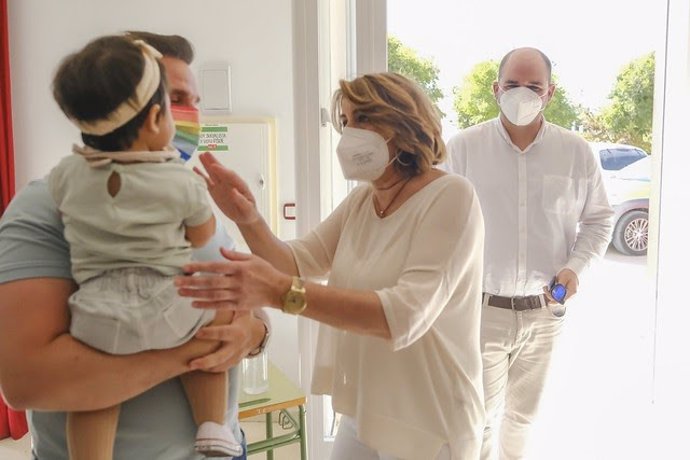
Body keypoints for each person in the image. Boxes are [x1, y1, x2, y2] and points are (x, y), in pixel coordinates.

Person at [175, 72, 486, 460]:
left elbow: (404, 316)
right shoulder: (363, 201)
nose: (349, 133)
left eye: (363, 119)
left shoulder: (451, 196)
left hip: (430, 420)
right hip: (366, 407)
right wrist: (248, 217)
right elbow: (295, 263)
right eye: (346, 122)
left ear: (404, 124)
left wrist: (278, 292)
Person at [0, 31, 270, 460]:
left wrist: (254, 333)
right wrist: (195, 351)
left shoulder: (191, 191)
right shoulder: (41, 205)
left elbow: (247, 304)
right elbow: (26, 381)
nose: (191, 116)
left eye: (195, 102)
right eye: (176, 97)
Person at [443, 47, 614, 460]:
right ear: (495, 89)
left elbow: (599, 220)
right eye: (513, 85)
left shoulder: (575, 152)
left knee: (522, 418)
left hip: (544, 312)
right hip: (481, 312)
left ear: (550, 93)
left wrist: (576, 268)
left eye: (533, 86)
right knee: (477, 419)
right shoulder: (463, 149)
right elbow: (440, 224)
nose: (522, 93)